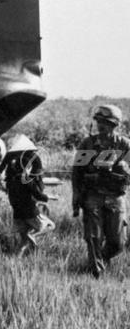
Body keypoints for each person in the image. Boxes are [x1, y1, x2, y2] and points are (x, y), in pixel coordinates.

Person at [71, 104, 130, 277]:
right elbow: (77, 173)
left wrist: (121, 169)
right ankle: (95, 273)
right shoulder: (88, 144)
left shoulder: (124, 145)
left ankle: (101, 259)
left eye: (105, 122)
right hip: (92, 196)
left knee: (118, 243)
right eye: (98, 121)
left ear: (115, 124)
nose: (100, 125)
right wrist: (76, 196)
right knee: (93, 238)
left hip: (116, 196)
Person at [3, 134, 54, 256]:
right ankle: (33, 235)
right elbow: (37, 193)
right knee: (50, 226)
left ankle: (16, 259)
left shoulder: (11, 178)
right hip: (30, 211)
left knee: (24, 241)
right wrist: (49, 197)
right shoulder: (28, 178)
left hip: (17, 212)